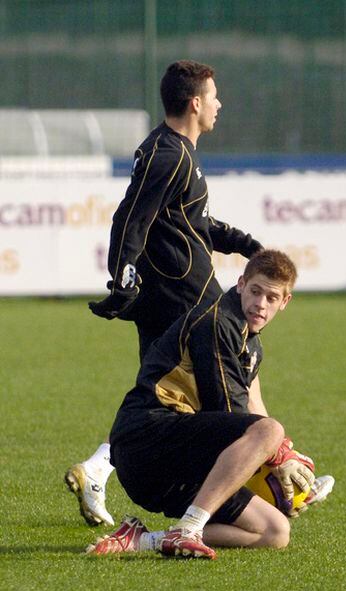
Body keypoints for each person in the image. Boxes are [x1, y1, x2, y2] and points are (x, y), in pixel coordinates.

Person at [65, 60, 263, 527]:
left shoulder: (179, 153)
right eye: (214, 96)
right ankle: (273, 465)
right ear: (195, 103)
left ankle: (100, 467)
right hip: (183, 293)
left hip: (175, 294)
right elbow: (130, 217)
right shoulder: (168, 153)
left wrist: (245, 245)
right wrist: (122, 277)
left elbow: (193, 224)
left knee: (167, 398)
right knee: (237, 355)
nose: (219, 104)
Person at [86, 249, 316, 559]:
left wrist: (290, 461)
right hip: (147, 438)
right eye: (255, 291)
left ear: (284, 302)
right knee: (269, 432)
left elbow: (254, 405)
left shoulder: (251, 342)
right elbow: (231, 413)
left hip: (181, 459)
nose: (260, 303)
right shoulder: (219, 323)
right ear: (240, 284)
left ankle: (144, 539)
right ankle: (188, 528)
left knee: (274, 531)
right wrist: (278, 457)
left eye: (271, 297)